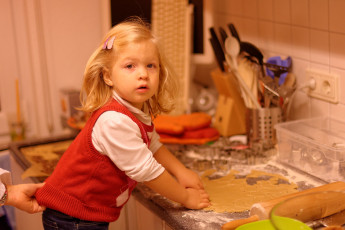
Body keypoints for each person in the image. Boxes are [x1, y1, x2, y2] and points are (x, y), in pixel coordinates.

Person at [35, 17, 210, 230]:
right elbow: (147, 171)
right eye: (130, 66)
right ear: (108, 76)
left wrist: (181, 172)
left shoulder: (134, 109)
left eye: (150, 65)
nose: (143, 74)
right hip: (72, 217)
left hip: (83, 214)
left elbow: (152, 145)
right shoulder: (114, 120)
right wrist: (185, 198)